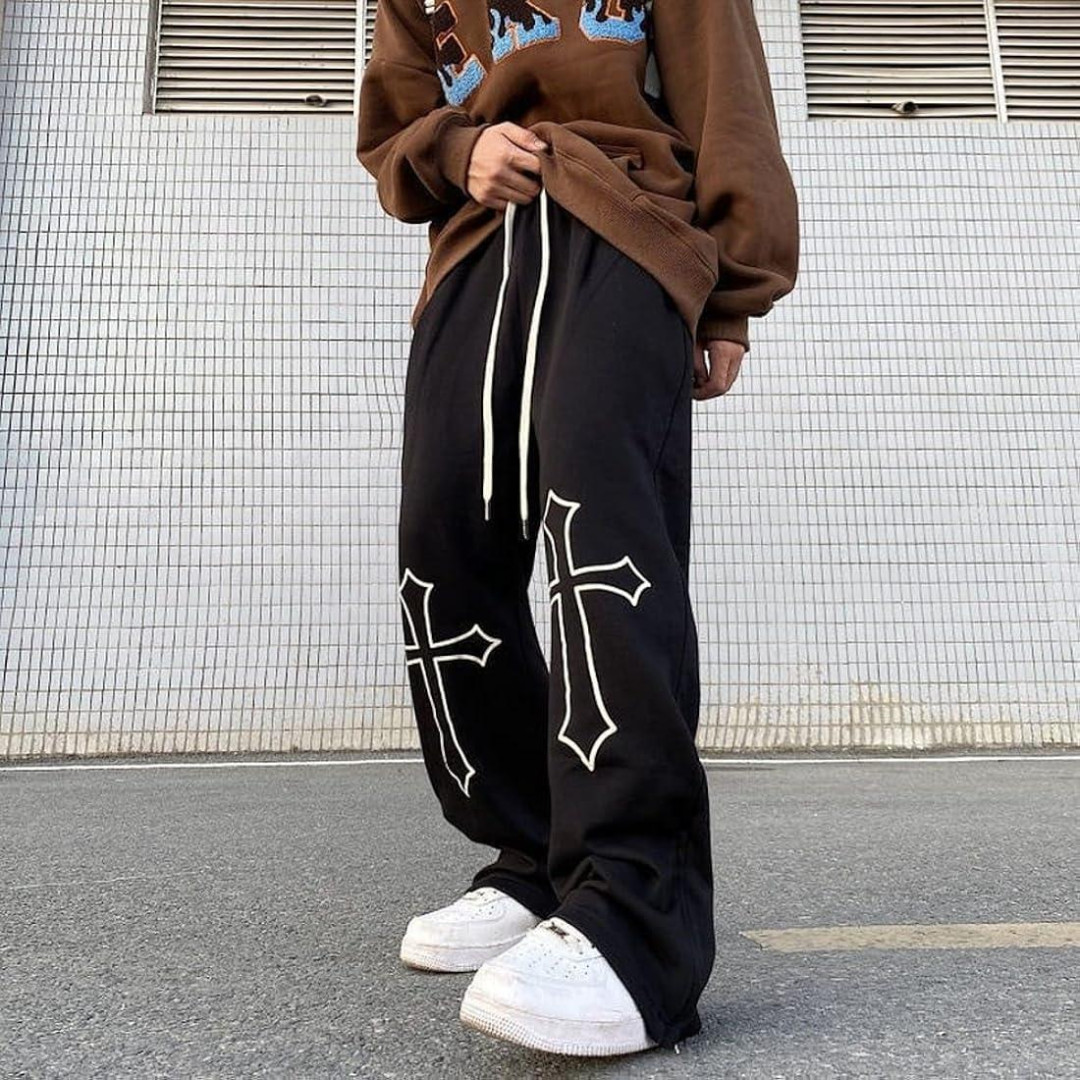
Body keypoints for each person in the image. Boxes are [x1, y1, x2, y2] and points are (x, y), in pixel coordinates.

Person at [356, 0, 799, 1057]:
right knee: (442, 559)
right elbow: (393, 130)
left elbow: (729, 100)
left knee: (604, 547)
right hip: (473, 256)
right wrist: (457, 150)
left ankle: (636, 920)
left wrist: (731, 298)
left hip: (623, 227)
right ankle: (532, 861)